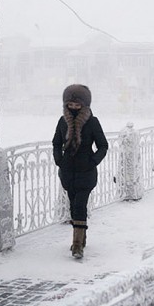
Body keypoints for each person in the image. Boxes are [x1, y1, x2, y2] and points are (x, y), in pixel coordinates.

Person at [52, 84, 108, 259]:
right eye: (71, 105)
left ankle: (77, 245)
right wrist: (59, 160)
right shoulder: (63, 122)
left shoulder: (92, 122)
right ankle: (81, 237)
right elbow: (56, 143)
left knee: (79, 205)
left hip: (86, 171)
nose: (74, 108)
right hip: (68, 172)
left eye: (78, 105)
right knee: (72, 206)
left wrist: (92, 161)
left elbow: (103, 146)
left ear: (85, 105)